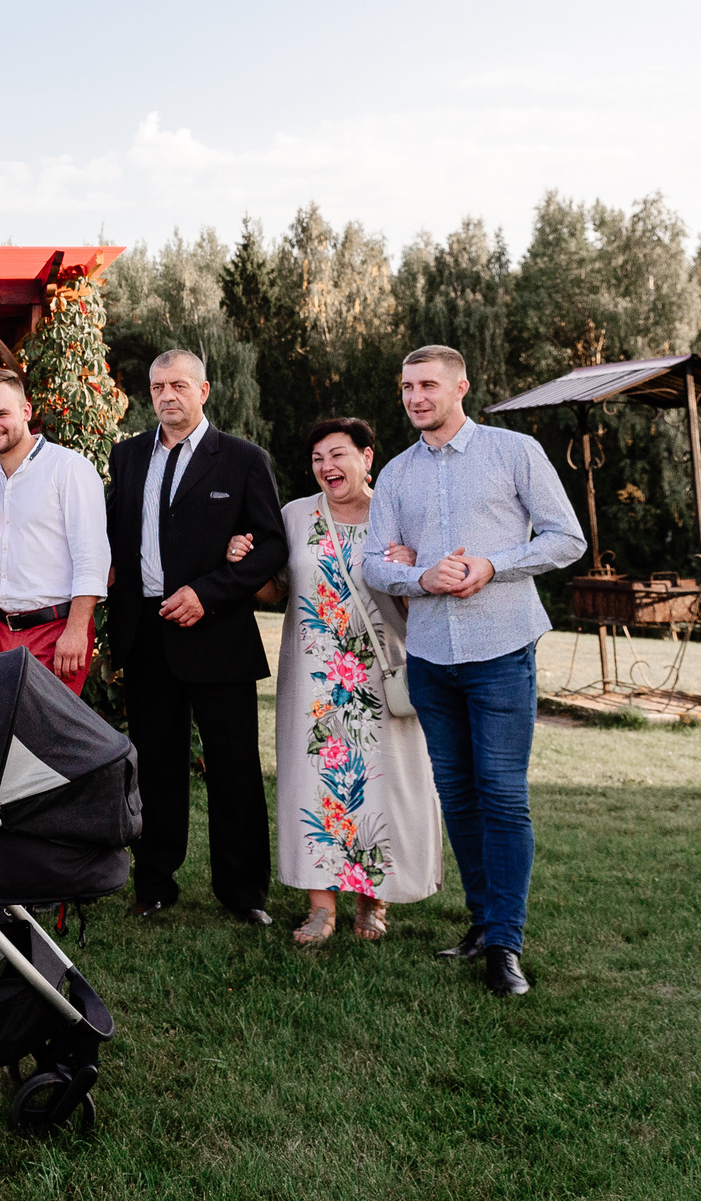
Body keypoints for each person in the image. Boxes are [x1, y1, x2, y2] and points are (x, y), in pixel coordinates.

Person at [364, 345, 584, 997]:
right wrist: (419, 575)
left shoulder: (513, 452)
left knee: (503, 796)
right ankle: (483, 923)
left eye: (427, 385)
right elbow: (374, 563)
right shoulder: (398, 475)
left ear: (461, 386)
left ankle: (505, 945)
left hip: (501, 651)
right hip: (431, 658)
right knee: (458, 798)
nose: (415, 397)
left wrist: (493, 565)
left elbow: (565, 537)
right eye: (407, 387)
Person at [103, 349, 288, 922]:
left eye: (179, 385)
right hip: (147, 631)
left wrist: (210, 592)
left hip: (216, 632)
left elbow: (273, 546)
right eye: (158, 386)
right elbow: (116, 537)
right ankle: (155, 884)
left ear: (203, 391)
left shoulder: (242, 459)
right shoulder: (128, 455)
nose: (167, 396)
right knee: (156, 766)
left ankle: (243, 893)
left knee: (233, 767)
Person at [245, 417, 443, 943]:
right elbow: (275, 592)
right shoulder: (293, 517)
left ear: (367, 457)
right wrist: (247, 566)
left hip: (382, 676)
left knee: (382, 783)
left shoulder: (397, 515)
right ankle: (320, 908)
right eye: (317, 460)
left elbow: (420, 598)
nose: (327, 467)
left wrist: (412, 567)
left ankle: (372, 905)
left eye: (338, 455)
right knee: (315, 785)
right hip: (313, 680)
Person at [0, 368, 108, 695]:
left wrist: (75, 631)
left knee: (45, 740)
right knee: (11, 740)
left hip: (56, 629)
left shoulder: (68, 469)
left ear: (26, 411)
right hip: (1, 633)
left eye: (1, 413)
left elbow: (92, 558)